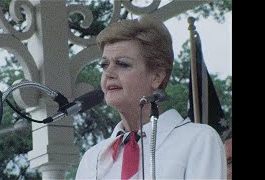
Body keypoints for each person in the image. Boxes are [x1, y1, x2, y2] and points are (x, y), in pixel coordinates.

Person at [75, 14, 226, 179]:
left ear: (157, 76)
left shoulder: (198, 140)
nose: (108, 73)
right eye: (104, 65)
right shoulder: (92, 158)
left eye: (123, 64)